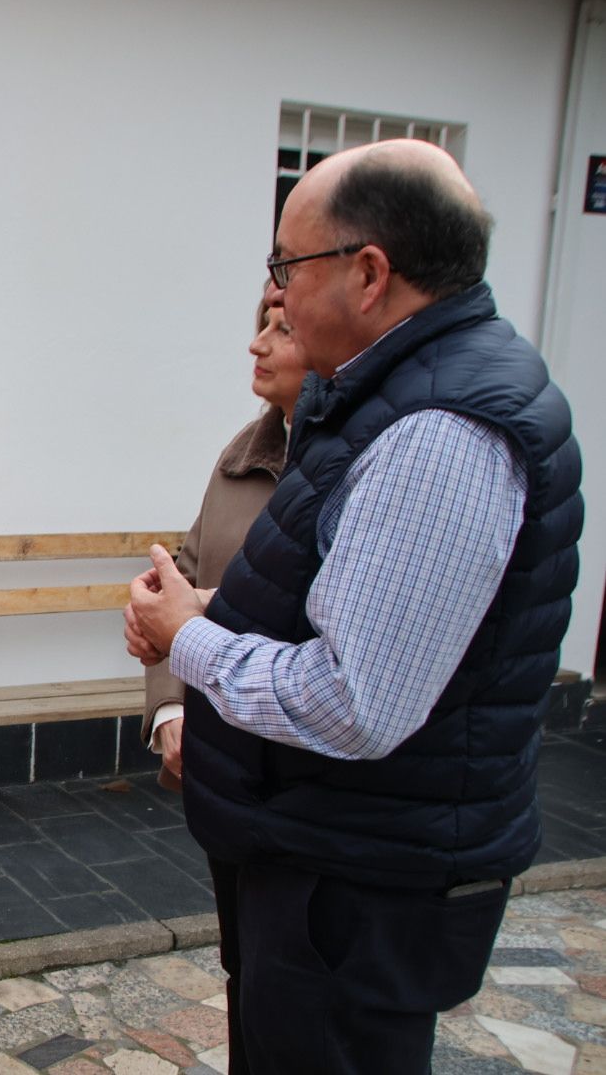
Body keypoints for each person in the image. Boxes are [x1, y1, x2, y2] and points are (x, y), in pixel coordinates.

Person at [126, 140, 582, 1075]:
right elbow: (363, 603)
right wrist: (218, 602)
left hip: (358, 877)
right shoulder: (397, 395)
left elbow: (354, 701)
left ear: (370, 273)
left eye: (286, 268)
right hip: (332, 847)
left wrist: (192, 637)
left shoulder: (439, 430)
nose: (276, 299)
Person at [142, 293, 304, 790]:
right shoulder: (242, 455)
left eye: (283, 331)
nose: (257, 345)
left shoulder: (361, 462)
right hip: (214, 752)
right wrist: (170, 708)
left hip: (298, 766)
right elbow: (181, 582)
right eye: (262, 325)